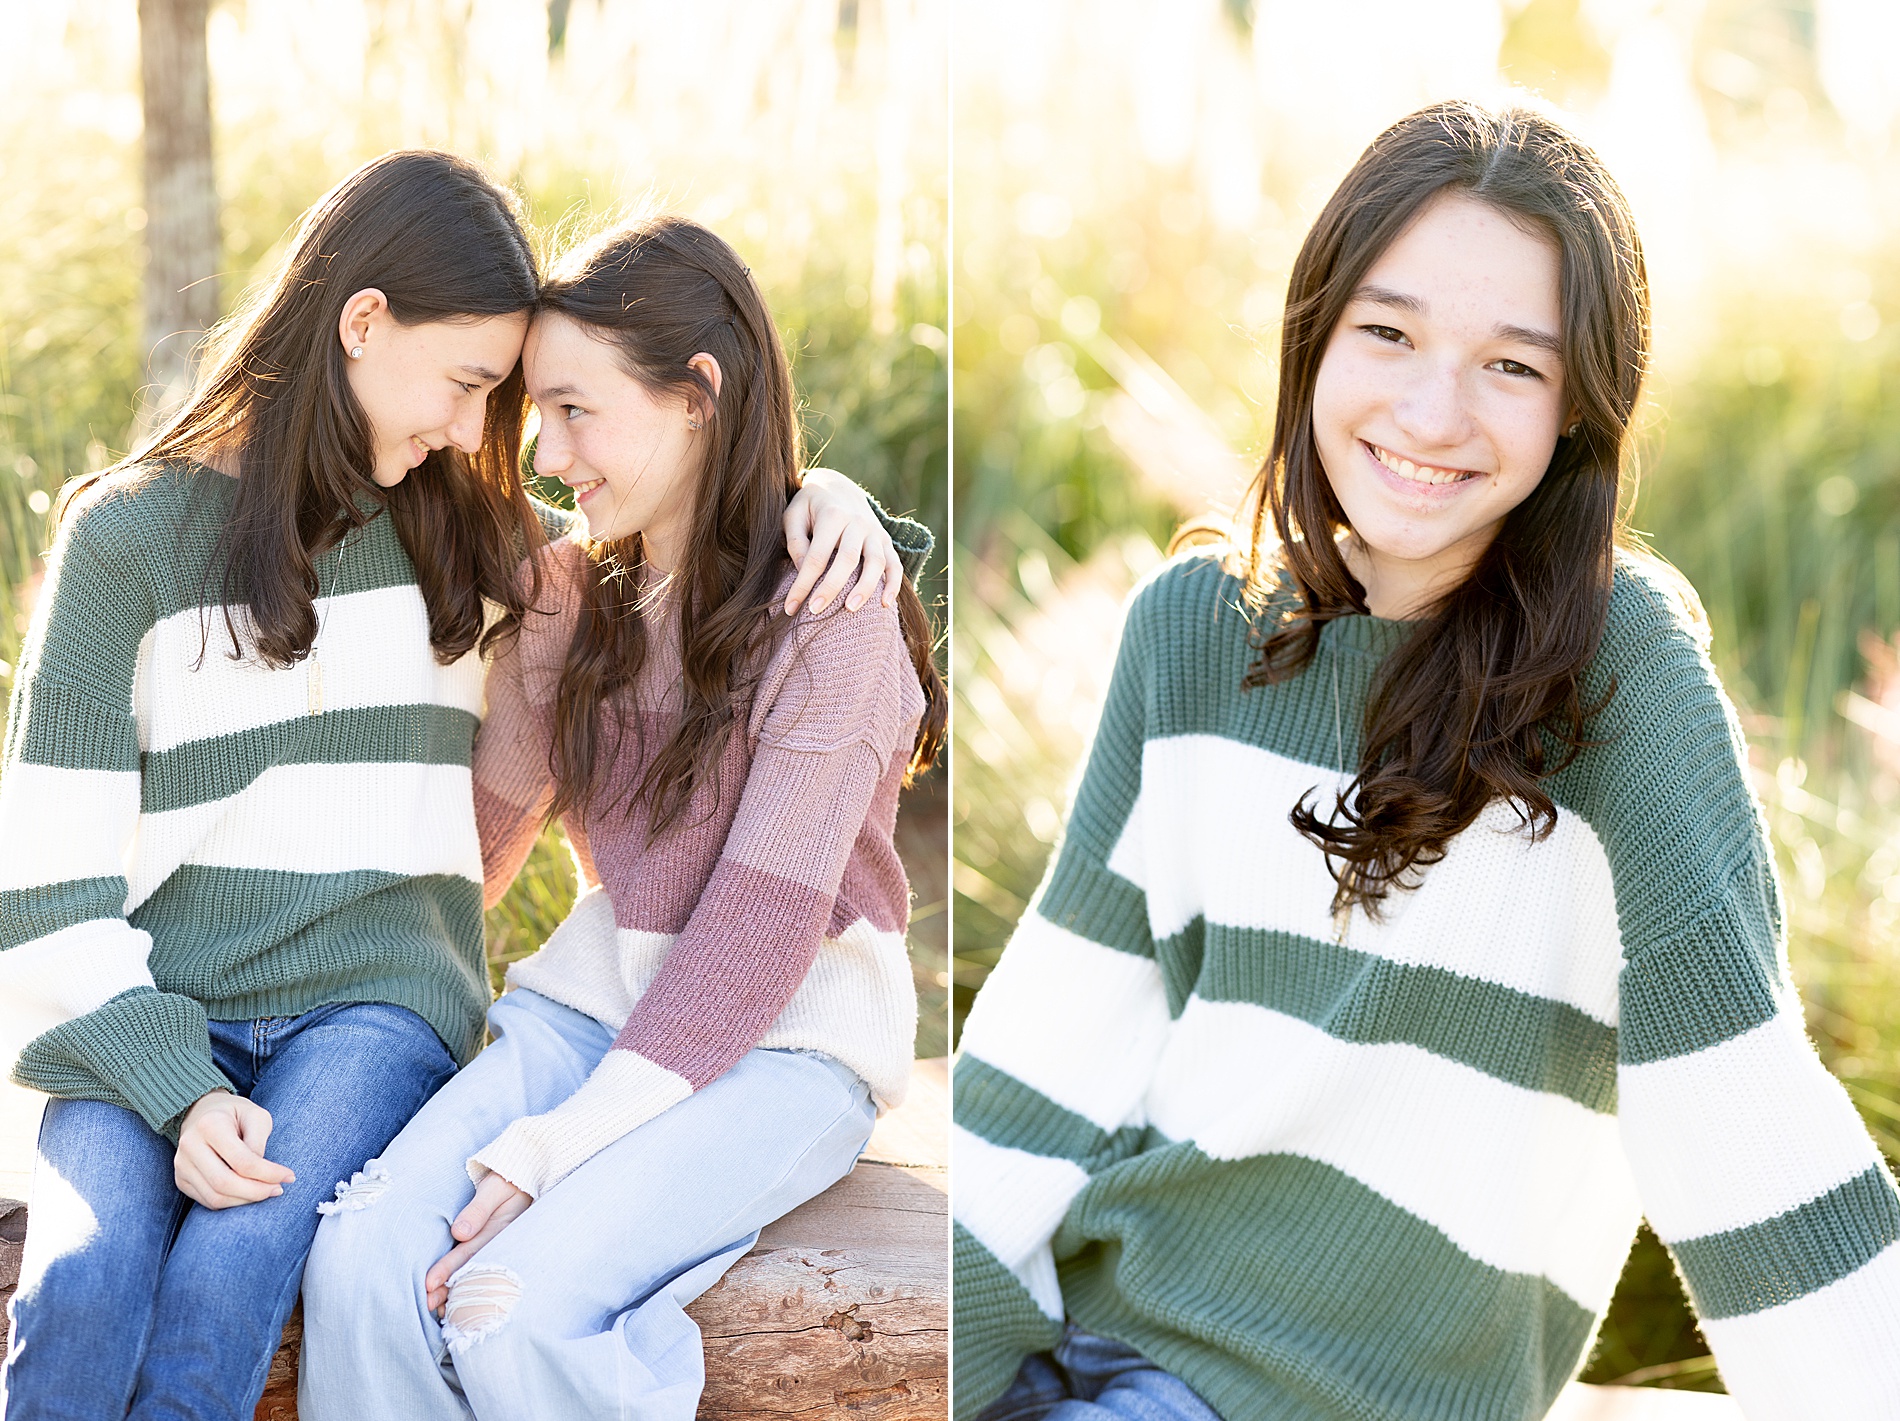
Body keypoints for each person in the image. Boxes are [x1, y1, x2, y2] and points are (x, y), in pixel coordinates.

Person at [952, 101, 1900, 1421]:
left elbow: (1737, 1110)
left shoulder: (1618, 673)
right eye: (1387, 333)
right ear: (1315, 336)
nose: (1430, 411)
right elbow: (1055, 1050)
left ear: (1580, 405)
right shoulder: (1193, 632)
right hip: (1098, 1346)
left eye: (1513, 364)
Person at [0, 150, 915, 1420]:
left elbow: (749, 921)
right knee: (213, 1268)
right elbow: (57, 887)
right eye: (486, 390)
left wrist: (833, 499)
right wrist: (180, 1071)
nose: (509, 444)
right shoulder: (150, 543)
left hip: (544, 1024)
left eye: (538, 402)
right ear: (363, 325)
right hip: (285, 1012)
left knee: (354, 1286)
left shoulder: (523, 550)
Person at [297, 212, 946, 1420]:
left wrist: (548, 1151)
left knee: (511, 1304)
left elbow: (754, 945)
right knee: (357, 1256)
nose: (544, 450)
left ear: (699, 392)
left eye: (574, 408)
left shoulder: (833, 616)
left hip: (786, 1046)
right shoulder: (564, 596)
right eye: (534, 410)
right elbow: (471, 857)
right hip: (587, 1011)